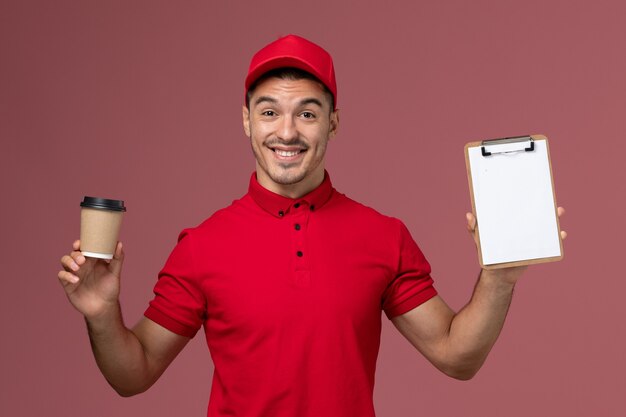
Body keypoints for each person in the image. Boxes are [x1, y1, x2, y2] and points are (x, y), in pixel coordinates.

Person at [58, 35, 566, 417]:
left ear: (332, 123)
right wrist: (102, 315)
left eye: (307, 113)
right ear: (246, 121)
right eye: (269, 112)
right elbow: (134, 373)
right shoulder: (202, 246)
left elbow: (457, 356)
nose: (286, 131)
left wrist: (498, 279)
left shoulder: (382, 236)